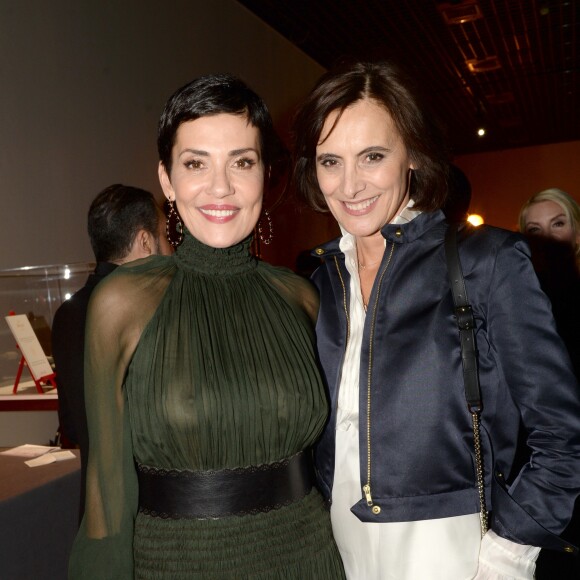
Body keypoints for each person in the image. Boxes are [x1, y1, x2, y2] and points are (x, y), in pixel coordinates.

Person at [291, 60, 580, 579]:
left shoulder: (484, 261)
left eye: (372, 156)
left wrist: (507, 553)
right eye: (330, 161)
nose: (350, 184)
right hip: (336, 549)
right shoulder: (319, 281)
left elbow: (562, 433)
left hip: (455, 548)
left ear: (413, 157)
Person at [68, 74, 345, 579]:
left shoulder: (302, 297)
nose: (221, 187)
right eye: (196, 163)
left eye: (242, 162)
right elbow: (105, 492)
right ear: (167, 181)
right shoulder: (122, 303)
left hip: (306, 554)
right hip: (178, 562)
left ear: (265, 175)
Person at [52, 183, 171, 520]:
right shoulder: (155, 306)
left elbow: (72, 427)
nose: (171, 246)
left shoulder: (67, 314)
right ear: (146, 240)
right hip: (152, 513)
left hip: (97, 510)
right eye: (165, 235)